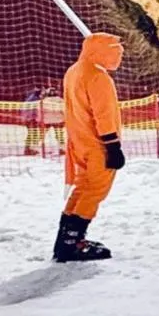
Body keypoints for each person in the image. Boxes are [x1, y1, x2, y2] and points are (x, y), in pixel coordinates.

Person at [53, 32, 126, 262]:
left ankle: (65, 240)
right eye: (115, 50)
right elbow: (102, 114)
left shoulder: (74, 71)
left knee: (83, 189)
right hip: (97, 145)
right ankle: (74, 242)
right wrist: (112, 146)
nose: (119, 56)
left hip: (80, 142)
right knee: (94, 191)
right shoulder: (97, 76)